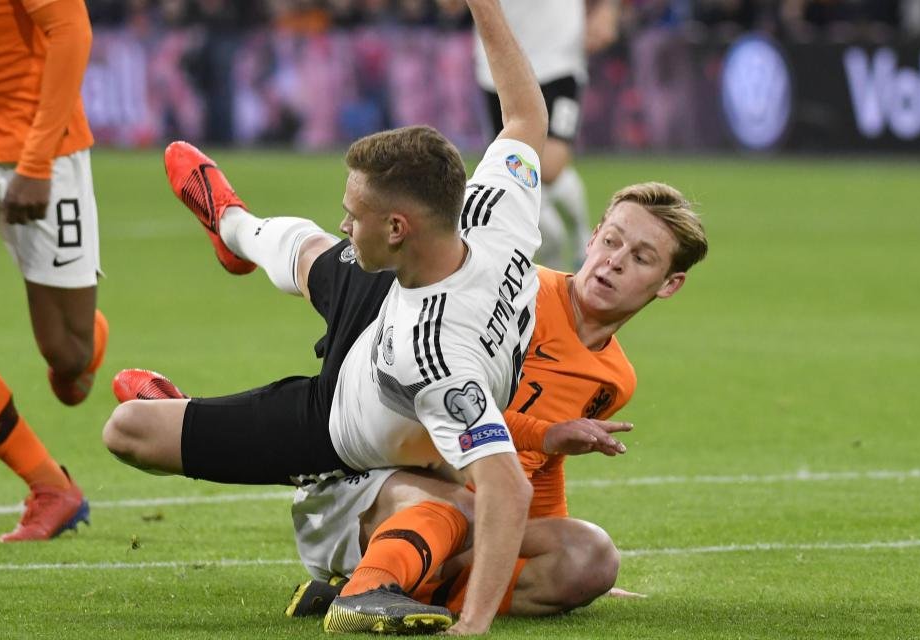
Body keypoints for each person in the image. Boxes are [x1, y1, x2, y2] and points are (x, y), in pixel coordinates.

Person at [104, 0, 547, 634]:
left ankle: (185, 402)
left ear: (397, 227)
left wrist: (472, 628)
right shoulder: (489, 213)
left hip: (335, 422)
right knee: (318, 252)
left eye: (355, 211)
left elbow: (508, 489)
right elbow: (526, 115)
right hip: (391, 301)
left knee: (128, 428)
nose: (346, 220)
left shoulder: (439, 359)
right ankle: (231, 223)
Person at [112, 180, 708, 626]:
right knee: (325, 265)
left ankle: (409, 582)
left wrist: (568, 559)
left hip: (448, 490)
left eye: (641, 258)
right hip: (370, 472)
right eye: (611, 240)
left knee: (592, 559)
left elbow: (538, 478)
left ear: (669, 284)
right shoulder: (510, 293)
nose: (613, 261)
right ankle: (365, 590)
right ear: (592, 234)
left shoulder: (613, 377)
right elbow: (447, 406)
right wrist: (540, 439)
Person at [0, 0, 108, 542]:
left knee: (67, 359)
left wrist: (35, 163)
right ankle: (50, 486)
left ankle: (85, 340)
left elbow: (71, 29)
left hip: (40, 151)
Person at [471, 0, 621, 269]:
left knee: (547, 167)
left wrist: (606, 8)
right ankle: (552, 262)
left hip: (557, 57)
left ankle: (579, 235)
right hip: (497, 63)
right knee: (516, 171)